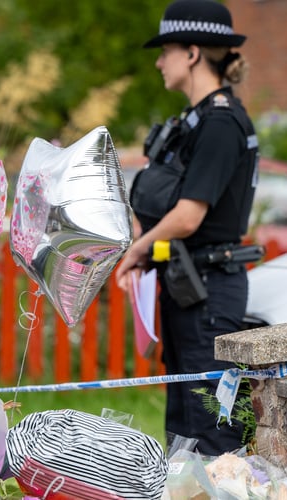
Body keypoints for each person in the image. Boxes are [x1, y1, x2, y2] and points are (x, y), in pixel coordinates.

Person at [115, 0, 259, 456]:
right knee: (182, 424)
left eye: (166, 50)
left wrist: (136, 251)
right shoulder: (190, 124)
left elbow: (190, 215)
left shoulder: (221, 123)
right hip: (186, 287)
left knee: (211, 426)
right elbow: (161, 203)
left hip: (209, 292)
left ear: (192, 53)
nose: (160, 61)